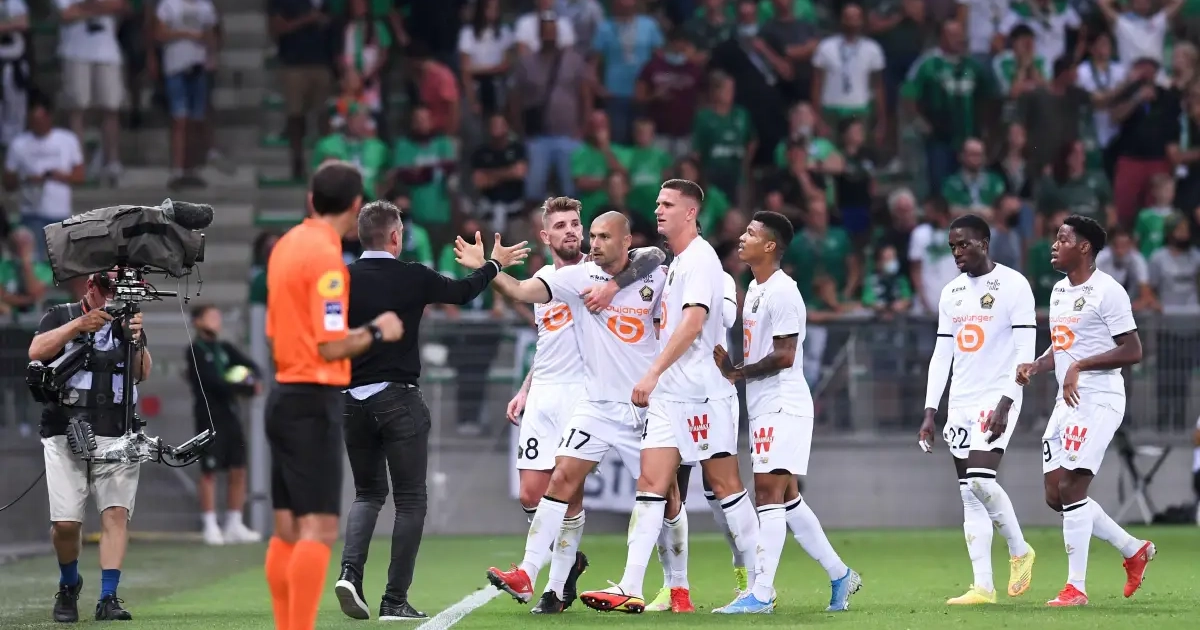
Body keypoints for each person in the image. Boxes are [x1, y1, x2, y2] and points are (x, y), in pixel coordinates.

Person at [334, 200, 528, 620]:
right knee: (410, 500)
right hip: (397, 398)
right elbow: (462, 292)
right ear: (395, 237)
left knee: (367, 494)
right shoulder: (412, 275)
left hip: (351, 401)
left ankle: (350, 572)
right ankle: (394, 599)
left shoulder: (340, 279)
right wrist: (493, 265)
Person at [480, 210, 671, 615]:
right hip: (579, 400)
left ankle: (673, 586)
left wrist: (614, 286)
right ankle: (533, 571)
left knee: (663, 496)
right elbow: (528, 310)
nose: (582, 237)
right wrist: (488, 266)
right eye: (563, 226)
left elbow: (655, 255)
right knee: (547, 486)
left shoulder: (637, 271)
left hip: (626, 400)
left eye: (581, 228)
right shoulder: (565, 278)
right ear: (545, 235)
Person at [580, 179, 757, 614]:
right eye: (658, 203)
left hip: (702, 395)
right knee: (650, 484)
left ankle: (759, 585)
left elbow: (693, 324)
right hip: (670, 396)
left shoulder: (701, 260)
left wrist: (652, 372)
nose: (658, 210)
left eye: (668, 204)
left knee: (725, 487)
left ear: (690, 212)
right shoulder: (676, 261)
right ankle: (629, 584)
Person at [263, 161, 404, 630]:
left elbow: (278, 328)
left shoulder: (285, 245)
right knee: (319, 527)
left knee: (286, 530)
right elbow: (330, 344)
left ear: (311, 199)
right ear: (355, 205)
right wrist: (378, 331)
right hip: (312, 398)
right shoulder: (327, 260)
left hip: (282, 393)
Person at [711, 211, 862, 614]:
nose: (742, 237)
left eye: (751, 233)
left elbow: (785, 355)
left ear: (770, 246)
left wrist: (737, 372)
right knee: (789, 498)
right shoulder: (755, 288)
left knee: (767, 494)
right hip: (764, 404)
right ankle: (840, 574)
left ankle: (761, 593)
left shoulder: (783, 292)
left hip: (783, 404)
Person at [1015, 214, 1156, 607]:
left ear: (1084, 247)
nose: (1054, 245)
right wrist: (1037, 365)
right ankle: (1133, 549)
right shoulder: (1060, 291)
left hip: (1099, 398)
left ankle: (1075, 588)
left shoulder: (1108, 291)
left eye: (1063, 239)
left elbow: (1133, 350)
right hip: (1067, 400)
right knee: (1055, 495)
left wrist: (1080, 366)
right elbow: (1063, 345)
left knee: (1072, 488)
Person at [917, 213, 1038, 605]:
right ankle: (983, 586)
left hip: (998, 397)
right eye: (952, 246)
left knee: (982, 480)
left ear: (984, 244)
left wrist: (1007, 400)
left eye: (963, 244)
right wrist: (931, 411)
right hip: (961, 402)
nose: (957, 252)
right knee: (969, 493)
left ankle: (1019, 550)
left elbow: (1025, 351)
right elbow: (942, 355)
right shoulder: (951, 292)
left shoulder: (1014, 285)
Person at [28, 270, 153, 622]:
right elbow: (36, 351)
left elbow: (142, 373)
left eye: (119, 288)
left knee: (115, 513)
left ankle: (108, 597)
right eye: (107, 286)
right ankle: (69, 583)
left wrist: (137, 338)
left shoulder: (128, 324)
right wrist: (78, 326)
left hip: (117, 430)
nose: (112, 294)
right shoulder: (61, 315)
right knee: (66, 523)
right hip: (64, 430)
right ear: (91, 286)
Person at [185, 304, 263, 546]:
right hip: (208, 417)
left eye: (218, 316)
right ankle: (210, 524)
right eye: (211, 316)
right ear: (198, 321)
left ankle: (234, 523)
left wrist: (250, 382)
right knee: (209, 471)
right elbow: (212, 382)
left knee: (238, 468)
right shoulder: (195, 351)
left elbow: (253, 368)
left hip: (231, 415)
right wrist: (240, 386)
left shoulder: (225, 348)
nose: (216, 320)